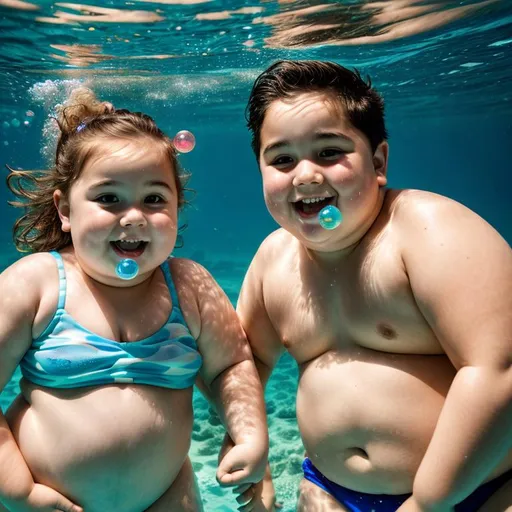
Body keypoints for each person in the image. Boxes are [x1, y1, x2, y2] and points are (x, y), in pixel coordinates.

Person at [232, 60, 512, 511]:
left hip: (479, 491)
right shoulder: (273, 259)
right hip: (330, 491)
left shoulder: (426, 230)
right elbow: (241, 365)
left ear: (378, 161)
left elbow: (497, 371)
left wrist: (427, 503)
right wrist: (254, 450)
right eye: (281, 159)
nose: (305, 175)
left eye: (328, 152)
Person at [0, 88, 268, 512]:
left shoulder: (189, 285)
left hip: (166, 497)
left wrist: (250, 435)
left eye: (155, 199)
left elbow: (230, 367)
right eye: (108, 198)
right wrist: (17, 490)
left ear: (178, 207)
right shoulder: (36, 283)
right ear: (65, 209)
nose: (133, 216)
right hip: (45, 501)